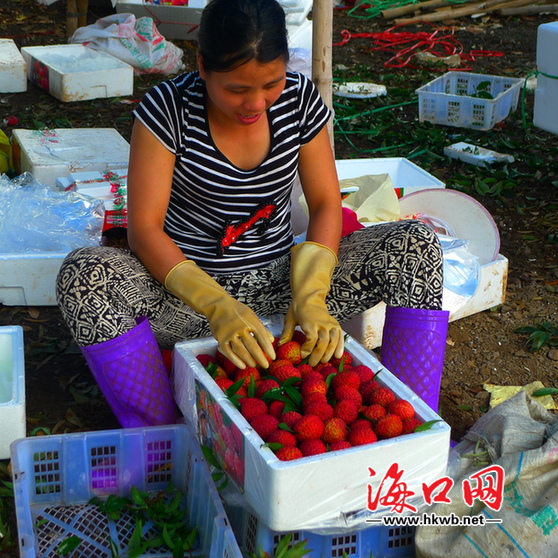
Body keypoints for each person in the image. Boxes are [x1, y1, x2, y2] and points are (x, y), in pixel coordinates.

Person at [56, 0, 448, 428]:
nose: (256, 103)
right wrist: (219, 307)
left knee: (415, 245)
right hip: (189, 304)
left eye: (271, 83)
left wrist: (313, 296)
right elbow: (145, 230)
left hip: (284, 291)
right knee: (84, 273)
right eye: (237, 89)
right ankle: (162, 441)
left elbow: (325, 203)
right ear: (203, 67)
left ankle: (413, 420)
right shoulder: (166, 110)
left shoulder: (299, 101)